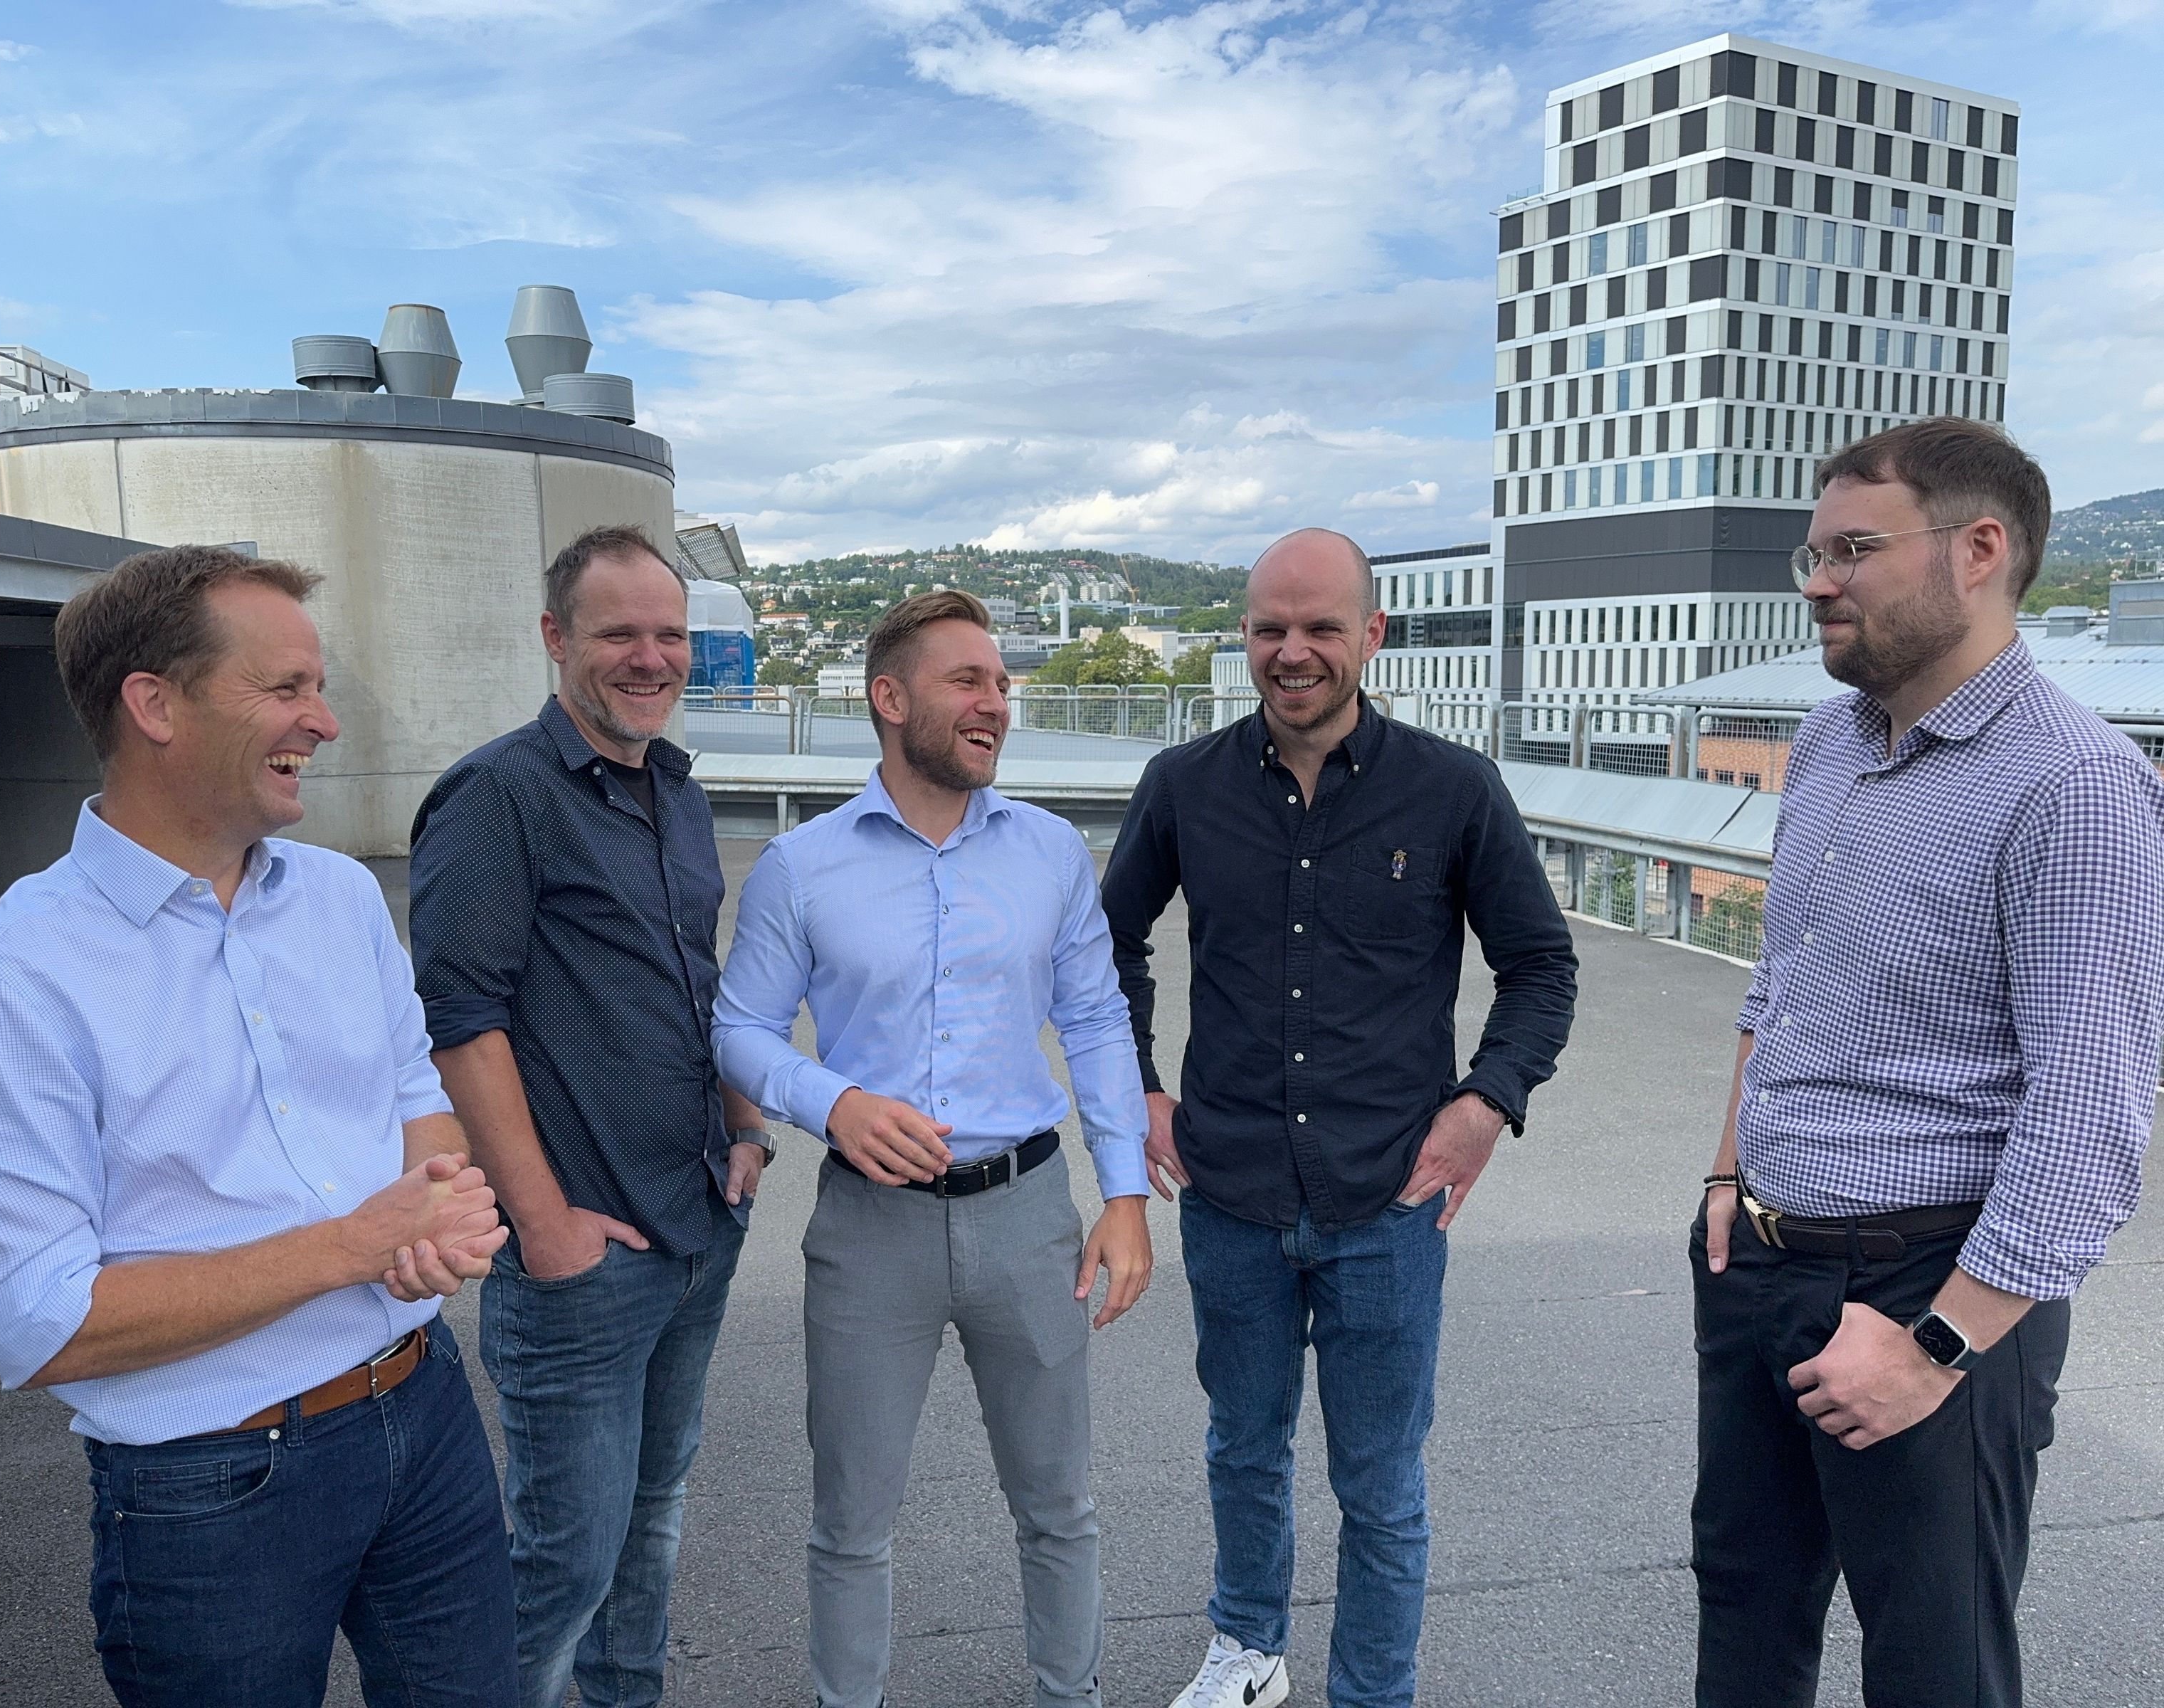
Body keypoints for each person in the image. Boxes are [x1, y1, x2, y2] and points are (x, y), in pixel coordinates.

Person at [0, 544, 517, 1707]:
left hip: (423, 1401)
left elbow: (410, 1096)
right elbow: (38, 1323)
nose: (324, 721)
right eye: (286, 688)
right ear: (154, 704)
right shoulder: (0, 984)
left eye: (317, 687)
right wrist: (358, 1243)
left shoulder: (340, 898)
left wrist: (440, 1207)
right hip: (211, 1478)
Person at [1691, 418, 2164, 1708]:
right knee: (1743, 1611)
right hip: (1762, 1260)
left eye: (1854, 550)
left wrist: (1936, 1345)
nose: (1819, 582)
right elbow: (1781, 983)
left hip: (1929, 1285)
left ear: (1979, 550)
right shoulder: (1830, 742)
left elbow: (2090, 1108)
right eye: (1813, 553)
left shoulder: (2078, 787)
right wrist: (1726, 1180)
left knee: (1933, 1663)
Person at [1102, 527, 1578, 1708]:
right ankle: (1248, 1652)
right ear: (1245, 638)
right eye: (1270, 628)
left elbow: (1540, 967)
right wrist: (1137, 1087)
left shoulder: (1453, 789)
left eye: (1320, 626)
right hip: (1231, 1192)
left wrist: (1487, 1102)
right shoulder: (1184, 786)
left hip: (1389, 1198)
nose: (1293, 650)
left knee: (1380, 1482)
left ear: (1372, 634)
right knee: (1242, 1450)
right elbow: (1106, 947)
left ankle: (1373, 1690)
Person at [712, 589, 1152, 1708]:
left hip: (1029, 1217)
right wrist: (833, 1104)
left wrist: (1126, 1196)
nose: (996, 702)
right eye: (969, 681)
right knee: (851, 1521)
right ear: (890, 698)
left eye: (1001, 683)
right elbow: (740, 1028)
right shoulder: (802, 866)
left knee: (1059, 1507)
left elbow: (1097, 1018)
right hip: (870, 1230)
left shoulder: (1051, 852)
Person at [409, 523, 771, 1708]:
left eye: (670, 635)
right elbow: (462, 1025)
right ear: (556, 638)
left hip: (696, 1225)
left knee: (652, 1525)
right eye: (620, 633)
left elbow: (699, 982)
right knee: (563, 1561)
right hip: (583, 1258)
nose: (651, 658)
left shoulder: (674, 791)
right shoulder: (499, 795)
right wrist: (545, 1225)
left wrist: (747, 1130)